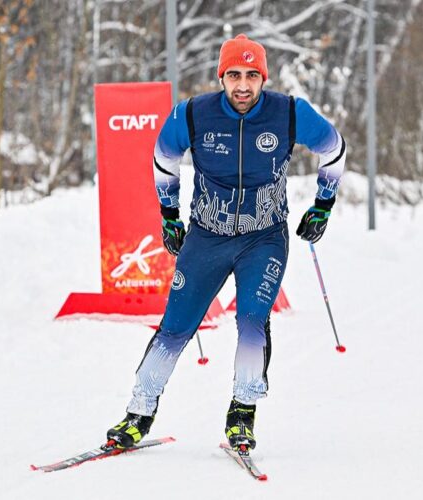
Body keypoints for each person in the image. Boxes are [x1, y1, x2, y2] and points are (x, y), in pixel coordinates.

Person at [105, 34, 347, 453]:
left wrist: (323, 205)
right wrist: (169, 215)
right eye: (234, 75)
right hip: (207, 238)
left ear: (262, 78)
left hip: (264, 238)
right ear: (222, 75)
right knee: (175, 327)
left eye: (252, 76)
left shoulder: (289, 112)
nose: (242, 85)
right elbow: (164, 157)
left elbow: (335, 150)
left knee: (253, 320)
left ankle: (242, 413)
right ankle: (138, 414)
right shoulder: (194, 114)